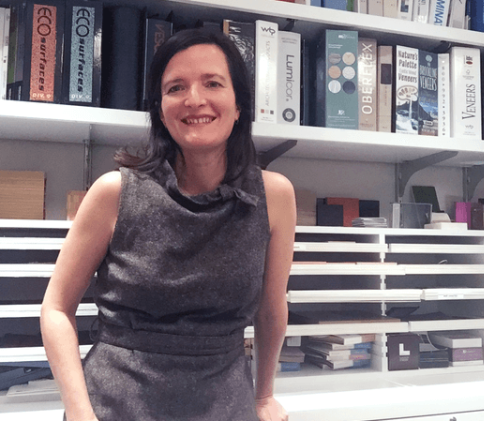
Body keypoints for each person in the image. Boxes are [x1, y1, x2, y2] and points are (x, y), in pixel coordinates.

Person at [40, 27, 296, 421]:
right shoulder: (113, 193)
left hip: (226, 405)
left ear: (239, 103)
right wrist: (78, 410)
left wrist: (264, 398)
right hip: (115, 404)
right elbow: (56, 308)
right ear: (160, 109)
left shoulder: (274, 196)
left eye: (212, 82)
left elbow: (271, 309)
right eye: (176, 87)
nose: (195, 100)